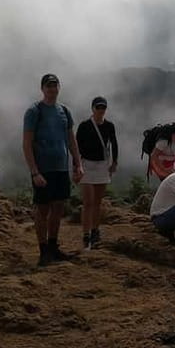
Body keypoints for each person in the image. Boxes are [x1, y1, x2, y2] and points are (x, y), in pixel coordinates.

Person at [23, 74, 83, 266]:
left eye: (55, 86)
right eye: (49, 86)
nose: (52, 89)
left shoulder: (64, 110)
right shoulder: (34, 111)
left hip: (60, 168)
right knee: (42, 209)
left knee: (58, 208)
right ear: (42, 88)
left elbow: (71, 138)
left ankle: (53, 246)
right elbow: (26, 143)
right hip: (43, 168)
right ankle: (43, 251)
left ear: (59, 88)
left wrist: (77, 163)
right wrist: (34, 172)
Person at [75, 96, 119, 250]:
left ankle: (95, 231)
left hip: (102, 165)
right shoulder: (84, 126)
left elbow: (114, 144)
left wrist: (114, 162)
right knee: (88, 202)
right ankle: (86, 233)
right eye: (98, 107)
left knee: (97, 203)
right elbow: (77, 146)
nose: (101, 111)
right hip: (87, 164)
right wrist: (77, 166)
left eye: (103, 108)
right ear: (92, 109)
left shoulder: (109, 126)